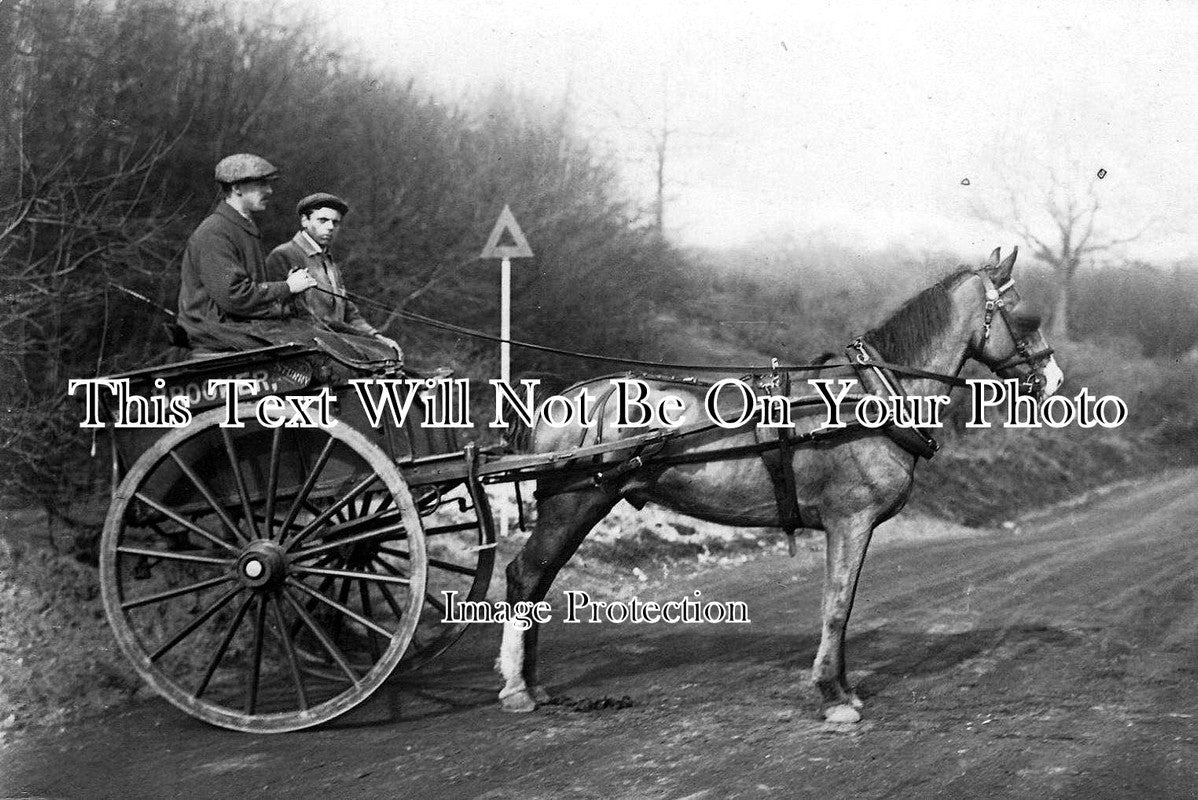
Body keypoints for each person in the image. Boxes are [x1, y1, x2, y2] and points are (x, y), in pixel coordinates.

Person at [176, 153, 318, 352]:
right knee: (315, 346)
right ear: (236, 188)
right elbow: (234, 296)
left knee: (324, 336)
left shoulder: (241, 226)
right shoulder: (215, 232)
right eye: (261, 184)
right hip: (216, 332)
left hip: (238, 326)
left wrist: (287, 287)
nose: (269, 190)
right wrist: (287, 287)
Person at [265, 193, 402, 362]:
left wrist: (376, 336)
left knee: (389, 355)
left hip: (337, 345)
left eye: (335, 222)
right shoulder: (283, 256)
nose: (330, 227)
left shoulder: (329, 262)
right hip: (307, 352)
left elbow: (349, 312)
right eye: (323, 220)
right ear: (304, 221)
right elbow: (277, 316)